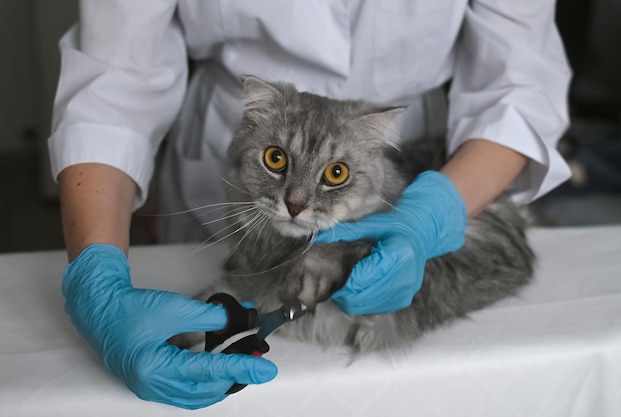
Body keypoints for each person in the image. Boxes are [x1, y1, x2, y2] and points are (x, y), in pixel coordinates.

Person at [49, 0, 571, 409]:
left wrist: (436, 213)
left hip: (399, 139)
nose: (298, 202)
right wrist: (98, 279)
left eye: (328, 178)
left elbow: (521, 83)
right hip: (245, 134)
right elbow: (114, 79)